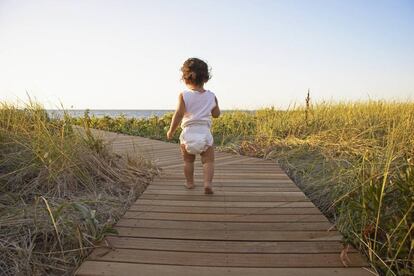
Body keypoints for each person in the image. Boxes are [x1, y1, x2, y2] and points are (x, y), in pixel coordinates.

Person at [167, 57, 220, 194]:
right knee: (208, 161)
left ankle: (189, 183)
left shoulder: (183, 95)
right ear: (206, 79)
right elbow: (216, 114)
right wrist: (213, 106)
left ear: (185, 79)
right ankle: (207, 183)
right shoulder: (212, 96)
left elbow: (178, 114)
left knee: (188, 161)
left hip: (188, 133)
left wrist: (171, 131)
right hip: (204, 132)